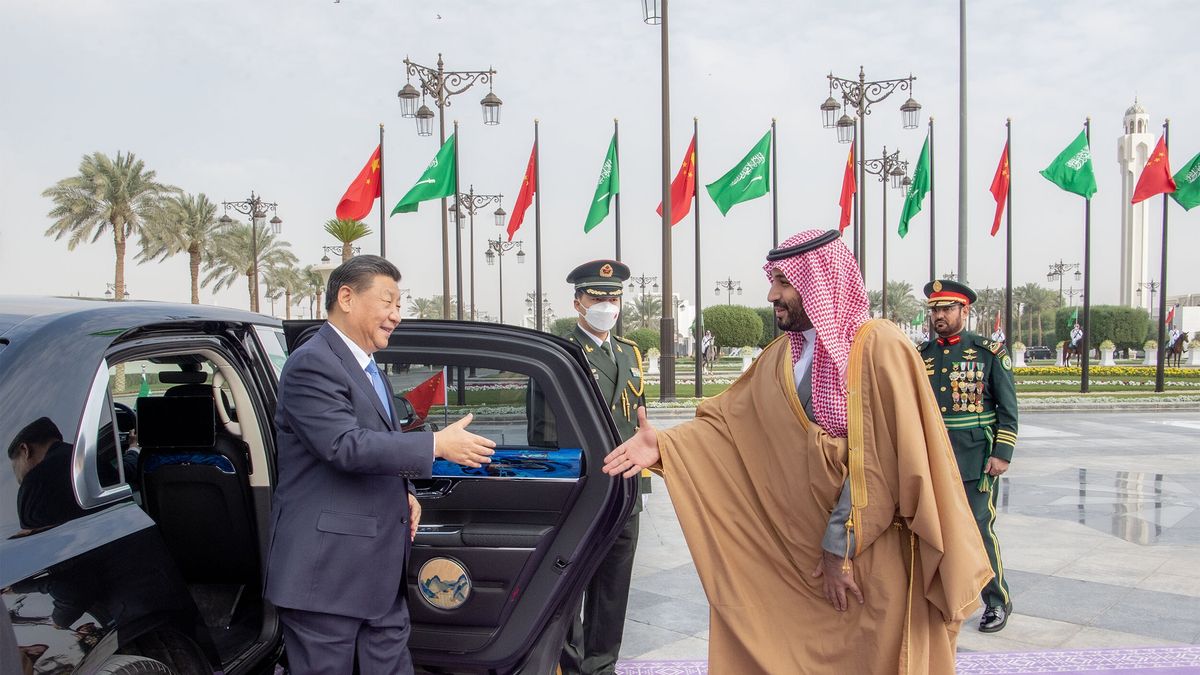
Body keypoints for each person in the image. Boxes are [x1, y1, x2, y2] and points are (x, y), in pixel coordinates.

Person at [602, 229, 991, 673]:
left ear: (820, 282)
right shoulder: (781, 356)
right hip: (805, 553)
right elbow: (730, 428)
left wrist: (836, 549)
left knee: (873, 657)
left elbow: (882, 462)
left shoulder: (879, 346)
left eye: (785, 281)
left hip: (868, 555)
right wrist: (666, 444)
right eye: (774, 281)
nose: (772, 294)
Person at [264, 255, 496, 675]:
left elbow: (378, 444)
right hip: (327, 576)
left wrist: (405, 493)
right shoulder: (312, 362)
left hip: (378, 575)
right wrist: (436, 445)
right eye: (388, 302)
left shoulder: (369, 368)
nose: (396, 315)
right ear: (346, 297)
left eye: (399, 305)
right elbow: (343, 445)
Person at [558, 259, 647, 675]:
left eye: (614, 297)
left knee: (613, 588)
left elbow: (638, 418)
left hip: (626, 490)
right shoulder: (562, 354)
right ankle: (571, 666)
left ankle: (601, 667)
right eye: (598, 297)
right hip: (583, 490)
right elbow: (546, 430)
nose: (608, 304)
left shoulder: (629, 352)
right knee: (571, 586)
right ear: (578, 302)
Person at [920, 280, 1019, 633]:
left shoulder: (988, 352)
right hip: (932, 459)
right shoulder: (923, 355)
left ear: (965, 311)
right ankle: (944, 597)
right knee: (933, 530)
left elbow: (1008, 409)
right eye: (935, 309)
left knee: (978, 530)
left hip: (975, 458)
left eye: (947, 309)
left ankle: (997, 601)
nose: (939, 316)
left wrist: (1002, 453)